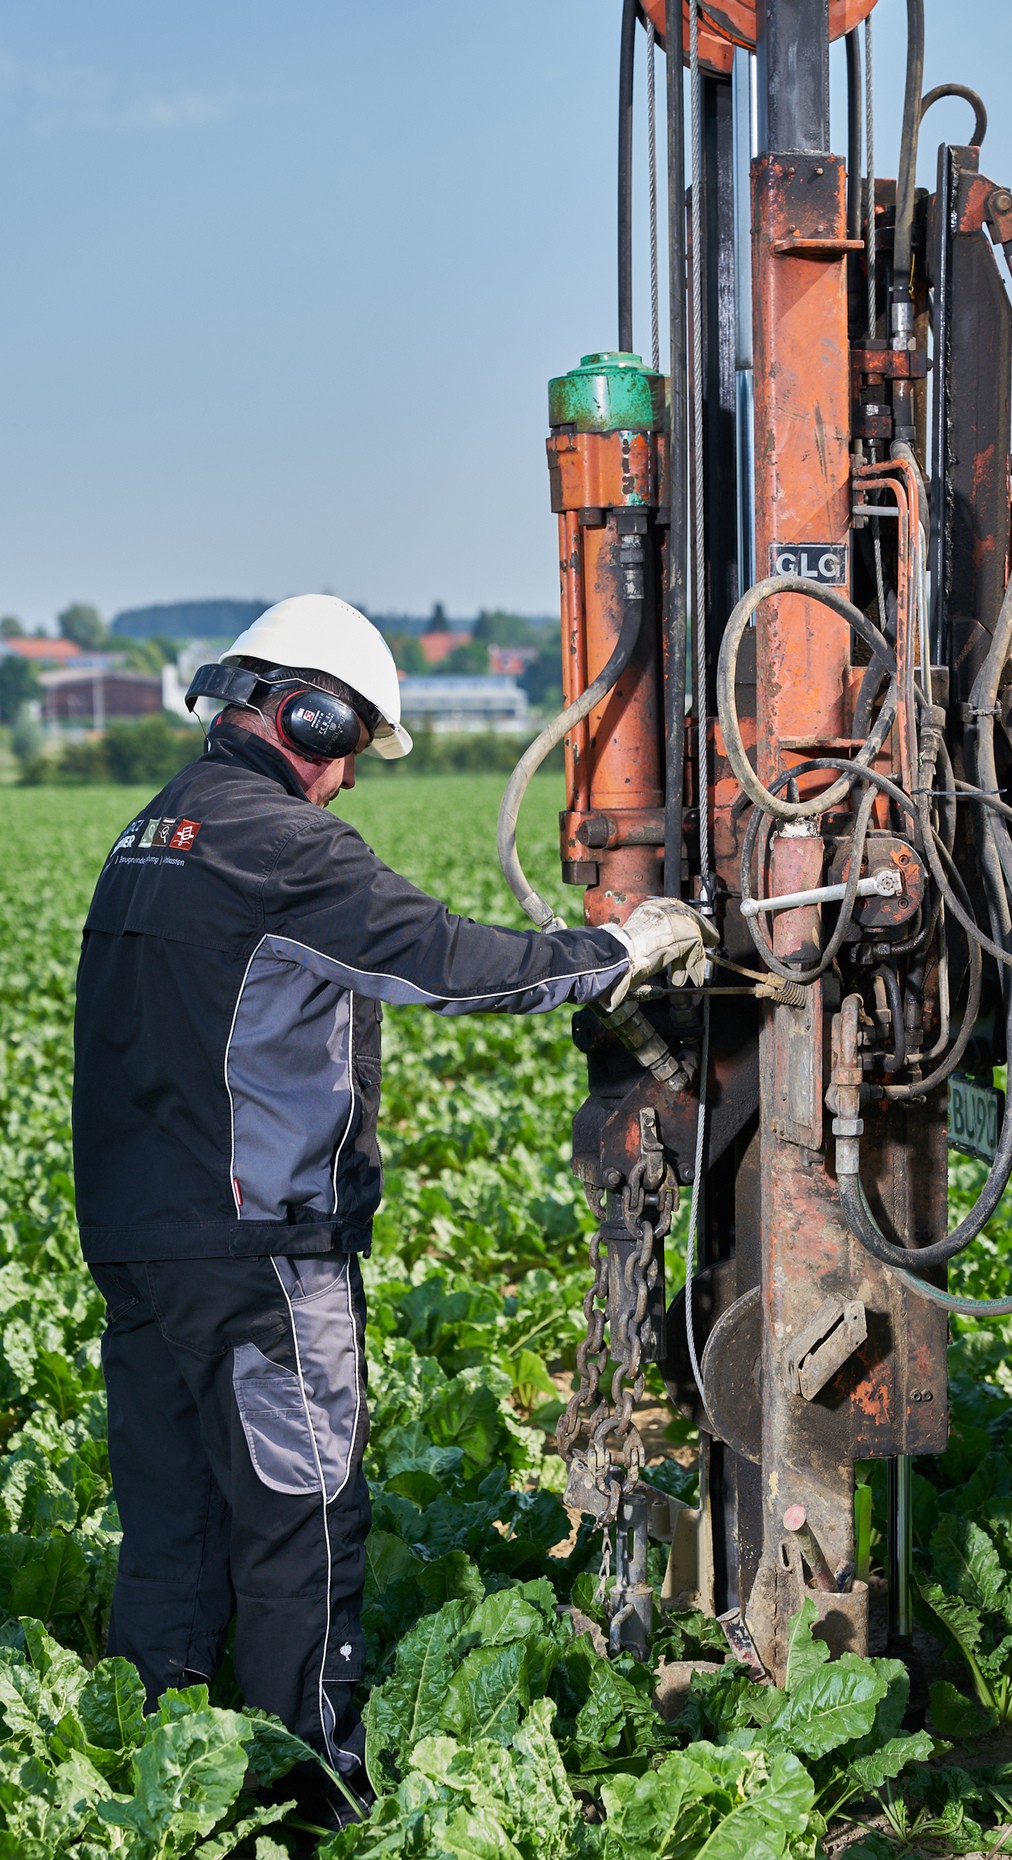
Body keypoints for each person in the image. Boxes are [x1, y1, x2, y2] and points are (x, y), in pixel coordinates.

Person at [71, 594, 712, 1828]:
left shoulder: (155, 826)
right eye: (349, 733)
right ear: (299, 710)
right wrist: (622, 949)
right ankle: (318, 1799)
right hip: (260, 1248)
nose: (353, 769)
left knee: (171, 1523)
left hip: (143, 1247)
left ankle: (160, 1794)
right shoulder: (284, 845)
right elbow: (453, 961)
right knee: (302, 1523)